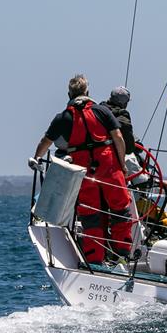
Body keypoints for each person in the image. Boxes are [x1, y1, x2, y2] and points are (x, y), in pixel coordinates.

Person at [29, 74, 133, 264]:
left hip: (84, 171)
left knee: (90, 214)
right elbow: (118, 137)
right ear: (87, 92)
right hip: (109, 167)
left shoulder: (63, 117)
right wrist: (123, 164)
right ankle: (123, 254)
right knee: (120, 209)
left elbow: (46, 142)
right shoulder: (102, 111)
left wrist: (36, 158)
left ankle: (95, 260)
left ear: (69, 93)